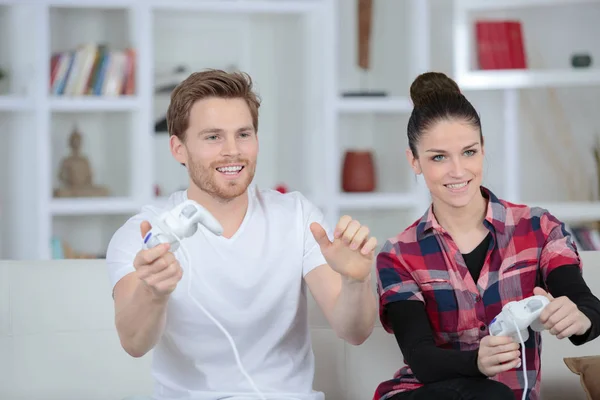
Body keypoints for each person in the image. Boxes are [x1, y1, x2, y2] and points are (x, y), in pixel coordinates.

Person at [105, 69, 379, 400]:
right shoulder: (144, 234)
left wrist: (355, 281)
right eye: (212, 137)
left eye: (243, 134)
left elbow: (354, 331)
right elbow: (133, 343)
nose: (232, 151)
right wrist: (154, 291)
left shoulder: (297, 216)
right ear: (178, 148)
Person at [373, 71, 600, 400]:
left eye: (468, 152)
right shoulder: (398, 255)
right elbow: (421, 358)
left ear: (482, 149)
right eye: (439, 157)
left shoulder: (538, 228)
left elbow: (586, 306)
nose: (458, 171)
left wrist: (579, 319)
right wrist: (476, 362)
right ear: (414, 161)